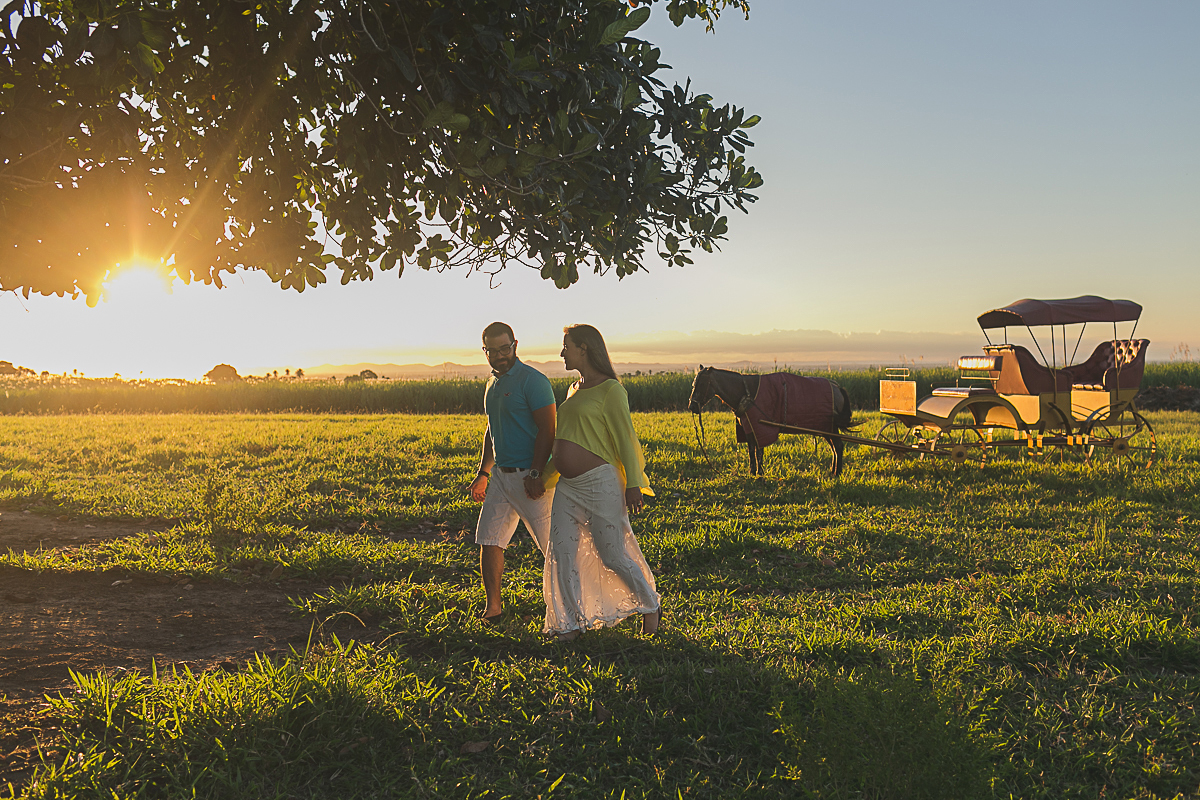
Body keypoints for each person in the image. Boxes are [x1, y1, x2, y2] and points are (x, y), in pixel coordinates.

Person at [536, 324, 661, 641]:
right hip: (568, 487)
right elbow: (566, 441)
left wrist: (633, 483)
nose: (562, 352)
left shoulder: (611, 390)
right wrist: (543, 476)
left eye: (566, 346)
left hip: (601, 484)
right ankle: (570, 624)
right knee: (562, 553)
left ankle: (649, 605)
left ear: (584, 348)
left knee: (612, 555)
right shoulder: (572, 390)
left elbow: (625, 439)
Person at [468, 321, 557, 623]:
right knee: (489, 539)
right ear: (486, 352)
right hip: (501, 479)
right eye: (492, 351)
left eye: (504, 348)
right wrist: (483, 472)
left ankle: (568, 609)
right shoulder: (492, 383)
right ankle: (493, 608)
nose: (499, 355)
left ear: (515, 345)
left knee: (553, 548)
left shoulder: (533, 381)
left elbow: (549, 429)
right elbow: (492, 430)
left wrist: (536, 473)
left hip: (531, 479)